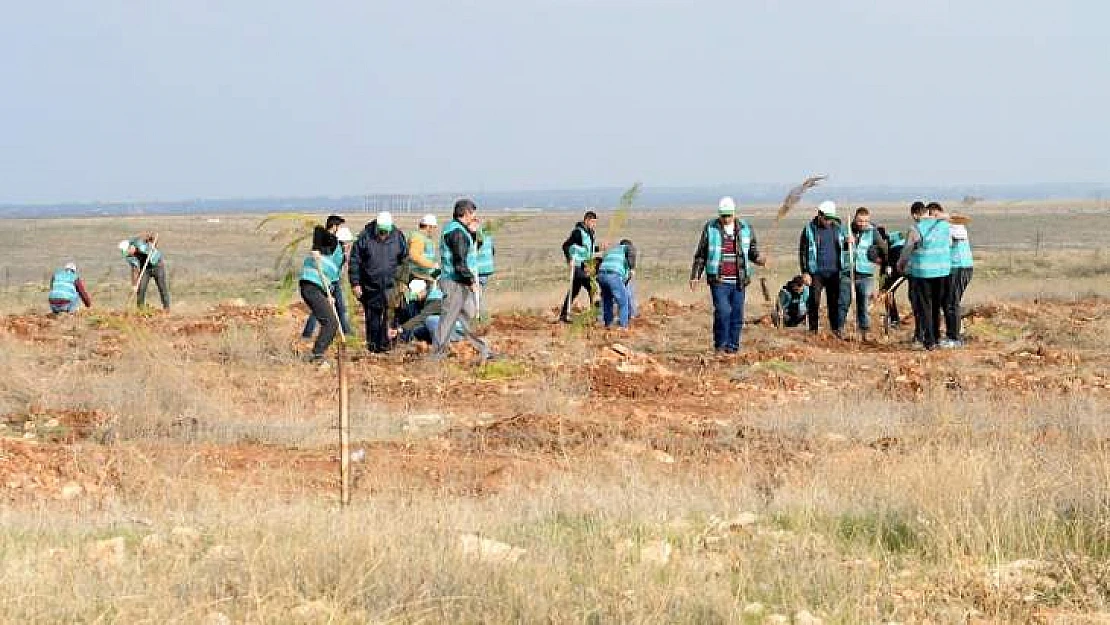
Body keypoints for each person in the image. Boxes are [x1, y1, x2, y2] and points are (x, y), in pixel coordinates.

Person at [689, 196, 767, 353]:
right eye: (723, 215)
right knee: (723, 311)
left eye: (728, 215)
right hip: (719, 280)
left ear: (734, 213)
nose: (726, 219)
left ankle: (732, 348)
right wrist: (695, 275)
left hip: (739, 280)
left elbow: (751, 251)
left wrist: (759, 258)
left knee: (737, 314)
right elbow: (701, 255)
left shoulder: (746, 228)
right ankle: (720, 345)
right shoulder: (710, 228)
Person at [431, 199, 496, 362]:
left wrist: (473, 233)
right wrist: (471, 282)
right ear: (466, 213)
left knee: (468, 317)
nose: (475, 217)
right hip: (455, 282)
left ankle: (482, 350)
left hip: (460, 282)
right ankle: (437, 355)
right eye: (473, 213)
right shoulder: (456, 232)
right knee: (448, 319)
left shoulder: (461, 230)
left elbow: (471, 250)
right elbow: (460, 263)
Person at [349, 211, 408, 353]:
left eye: (386, 232)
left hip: (392, 286)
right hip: (370, 285)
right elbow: (355, 261)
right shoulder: (365, 237)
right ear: (376, 227)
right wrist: (355, 283)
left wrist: (403, 281)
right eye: (381, 231)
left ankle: (388, 347)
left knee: (392, 316)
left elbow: (405, 260)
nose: (384, 235)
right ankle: (373, 347)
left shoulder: (398, 236)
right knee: (373, 317)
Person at [897, 202, 952, 350]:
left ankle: (929, 340)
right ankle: (937, 337)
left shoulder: (916, 228)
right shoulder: (945, 226)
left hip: (923, 273)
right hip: (943, 272)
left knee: (925, 307)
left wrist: (900, 264)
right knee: (936, 306)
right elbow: (950, 243)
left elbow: (907, 250)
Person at [798, 201, 847, 337]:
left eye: (831, 219)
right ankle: (813, 331)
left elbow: (844, 247)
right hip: (816, 273)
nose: (828, 221)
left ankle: (836, 330)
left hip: (834, 272)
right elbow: (802, 252)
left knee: (834, 303)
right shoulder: (809, 229)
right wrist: (805, 272)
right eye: (826, 218)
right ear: (819, 215)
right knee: (813, 302)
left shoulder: (838, 229)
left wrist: (849, 243)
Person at [839, 207, 887, 341]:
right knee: (844, 302)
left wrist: (881, 260)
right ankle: (839, 330)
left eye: (866, 221)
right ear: (855, 219)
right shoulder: (845, 230)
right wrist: (844, 242)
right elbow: (836, 245)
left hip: (865, 273)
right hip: (847, 272)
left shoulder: (873, 232)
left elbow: (883, 248)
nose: (863, 224)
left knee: (863, 304)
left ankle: (864, 332)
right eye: (860, 221)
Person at [301, 217, 354, 339]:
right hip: (318, 281)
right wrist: (315, 248)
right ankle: (307, 335)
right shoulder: (333, 246)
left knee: (339, 307)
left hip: (330, 282)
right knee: (320, 309)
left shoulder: (340, 253)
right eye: (347, 243)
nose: (349, 245)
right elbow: (318, 230)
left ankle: (346, 331)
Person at [299, 240, 346, 367]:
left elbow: (331, 279)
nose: (348, 246)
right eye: (346, 244)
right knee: (331, 323)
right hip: (311, 286)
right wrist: (316, 254)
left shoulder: (338, 258)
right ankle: (316, 355)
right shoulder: (332, 250)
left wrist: (328, 295)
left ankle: (317, 354)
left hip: (315, 288)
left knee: (331, 322)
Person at [558, 211, 599, 322]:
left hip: (585, 265)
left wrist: (600, 248)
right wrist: (569, 259)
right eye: (593, 222)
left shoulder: (590, 233)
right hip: (577, 265)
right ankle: (594, 315)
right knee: (592, 287)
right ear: (586, 220)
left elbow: (588, 249)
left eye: (595, 222)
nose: (594, 224)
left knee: (574, 290)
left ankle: (563, 316)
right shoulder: (578, 232)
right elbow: (565, 246)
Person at [943, 219, 974, 347]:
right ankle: (955, 332)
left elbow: (952, 239)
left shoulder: (955, 229)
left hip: (959, 267)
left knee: (952, 302)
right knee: (948, 302)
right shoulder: (952, 229)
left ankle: (955, 338)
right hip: (956, 268)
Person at [120, 233, 170, 311]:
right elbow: (134, 269)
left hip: (157, 265)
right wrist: (134, 285)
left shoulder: (139, 241)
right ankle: (140, 310)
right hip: (145, 269)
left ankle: (166, 309)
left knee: (162, 287)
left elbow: (152, 236)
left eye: (128, 252)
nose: (128, 254)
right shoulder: (129, 257)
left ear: (130, 247)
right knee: (141, 289)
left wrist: (153, 244)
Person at [597, 238, 636, 329]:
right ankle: (623, 326)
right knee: (623, 301)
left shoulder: (613, 251)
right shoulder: (627, 248)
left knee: (607, 300)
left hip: (601, 274)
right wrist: (632, 268)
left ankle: (608, 324)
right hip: (613, 274)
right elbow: (631, 252)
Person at [879, 229, 907, 327]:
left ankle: (894, 319)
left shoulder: (892, 249)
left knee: (887, 292)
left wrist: (883, 285)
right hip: (911, 267)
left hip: (896, 267)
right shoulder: (901, 242)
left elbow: (888, 268)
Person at [407, 214, 440, 287]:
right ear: (428, 227)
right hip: (417, 277)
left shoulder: (425, 238)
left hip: (425, 276)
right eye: (434, 227)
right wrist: (432, 265)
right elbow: (414, 256)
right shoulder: (418, 237)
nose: (435, 230)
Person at [474, 226, 496, 319]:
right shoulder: (487, 234)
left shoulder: (476, 235)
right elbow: (493, 250)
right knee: (479, 292)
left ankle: (480, 317)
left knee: (476, 294)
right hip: (486, 268)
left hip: (479, 269)